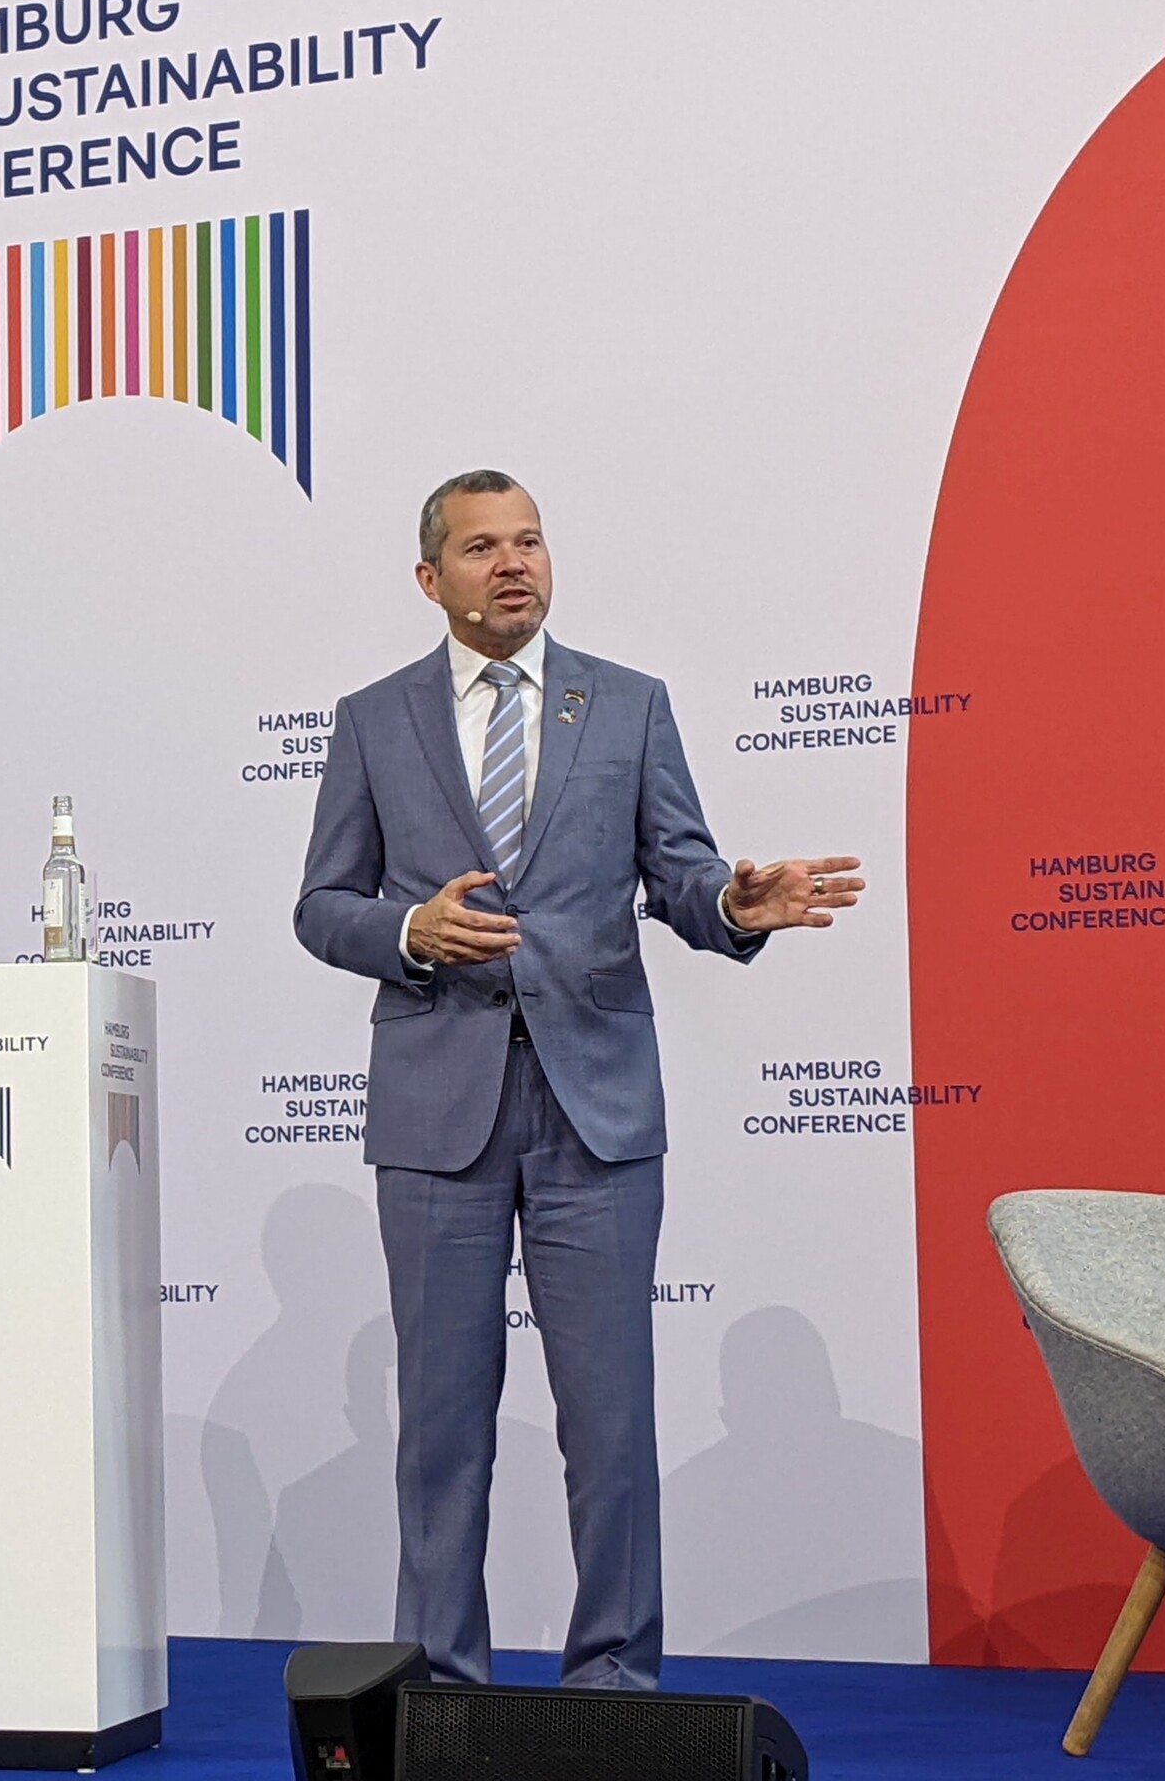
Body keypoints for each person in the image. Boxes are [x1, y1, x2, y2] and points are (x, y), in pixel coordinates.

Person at [293, 470, 863, 1689]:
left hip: (593, 1110)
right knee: (441, 1432)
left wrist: (732, 904)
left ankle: (612, 1682)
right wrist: (407, 932)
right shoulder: (372, 719)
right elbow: (320, 904)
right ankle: (441, 1689)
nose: (513, 564)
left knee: (608, 1425)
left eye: (531, 542)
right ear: (429, 577)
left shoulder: (628, 706)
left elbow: (685, 872)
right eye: (482, 546)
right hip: (435, 1112)